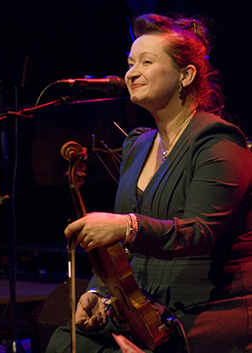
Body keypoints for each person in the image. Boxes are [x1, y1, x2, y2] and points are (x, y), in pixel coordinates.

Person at [46, 13, 252, 353]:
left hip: (205, 309)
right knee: (63, 343)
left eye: (146, 62)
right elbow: (120, 246)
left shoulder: (219, 141)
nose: (131, 73)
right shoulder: (138, 144)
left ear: (186, 75)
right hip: (144, 306)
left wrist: (125, 225)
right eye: (129, 63)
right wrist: (99, 293)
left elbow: (199, 233)